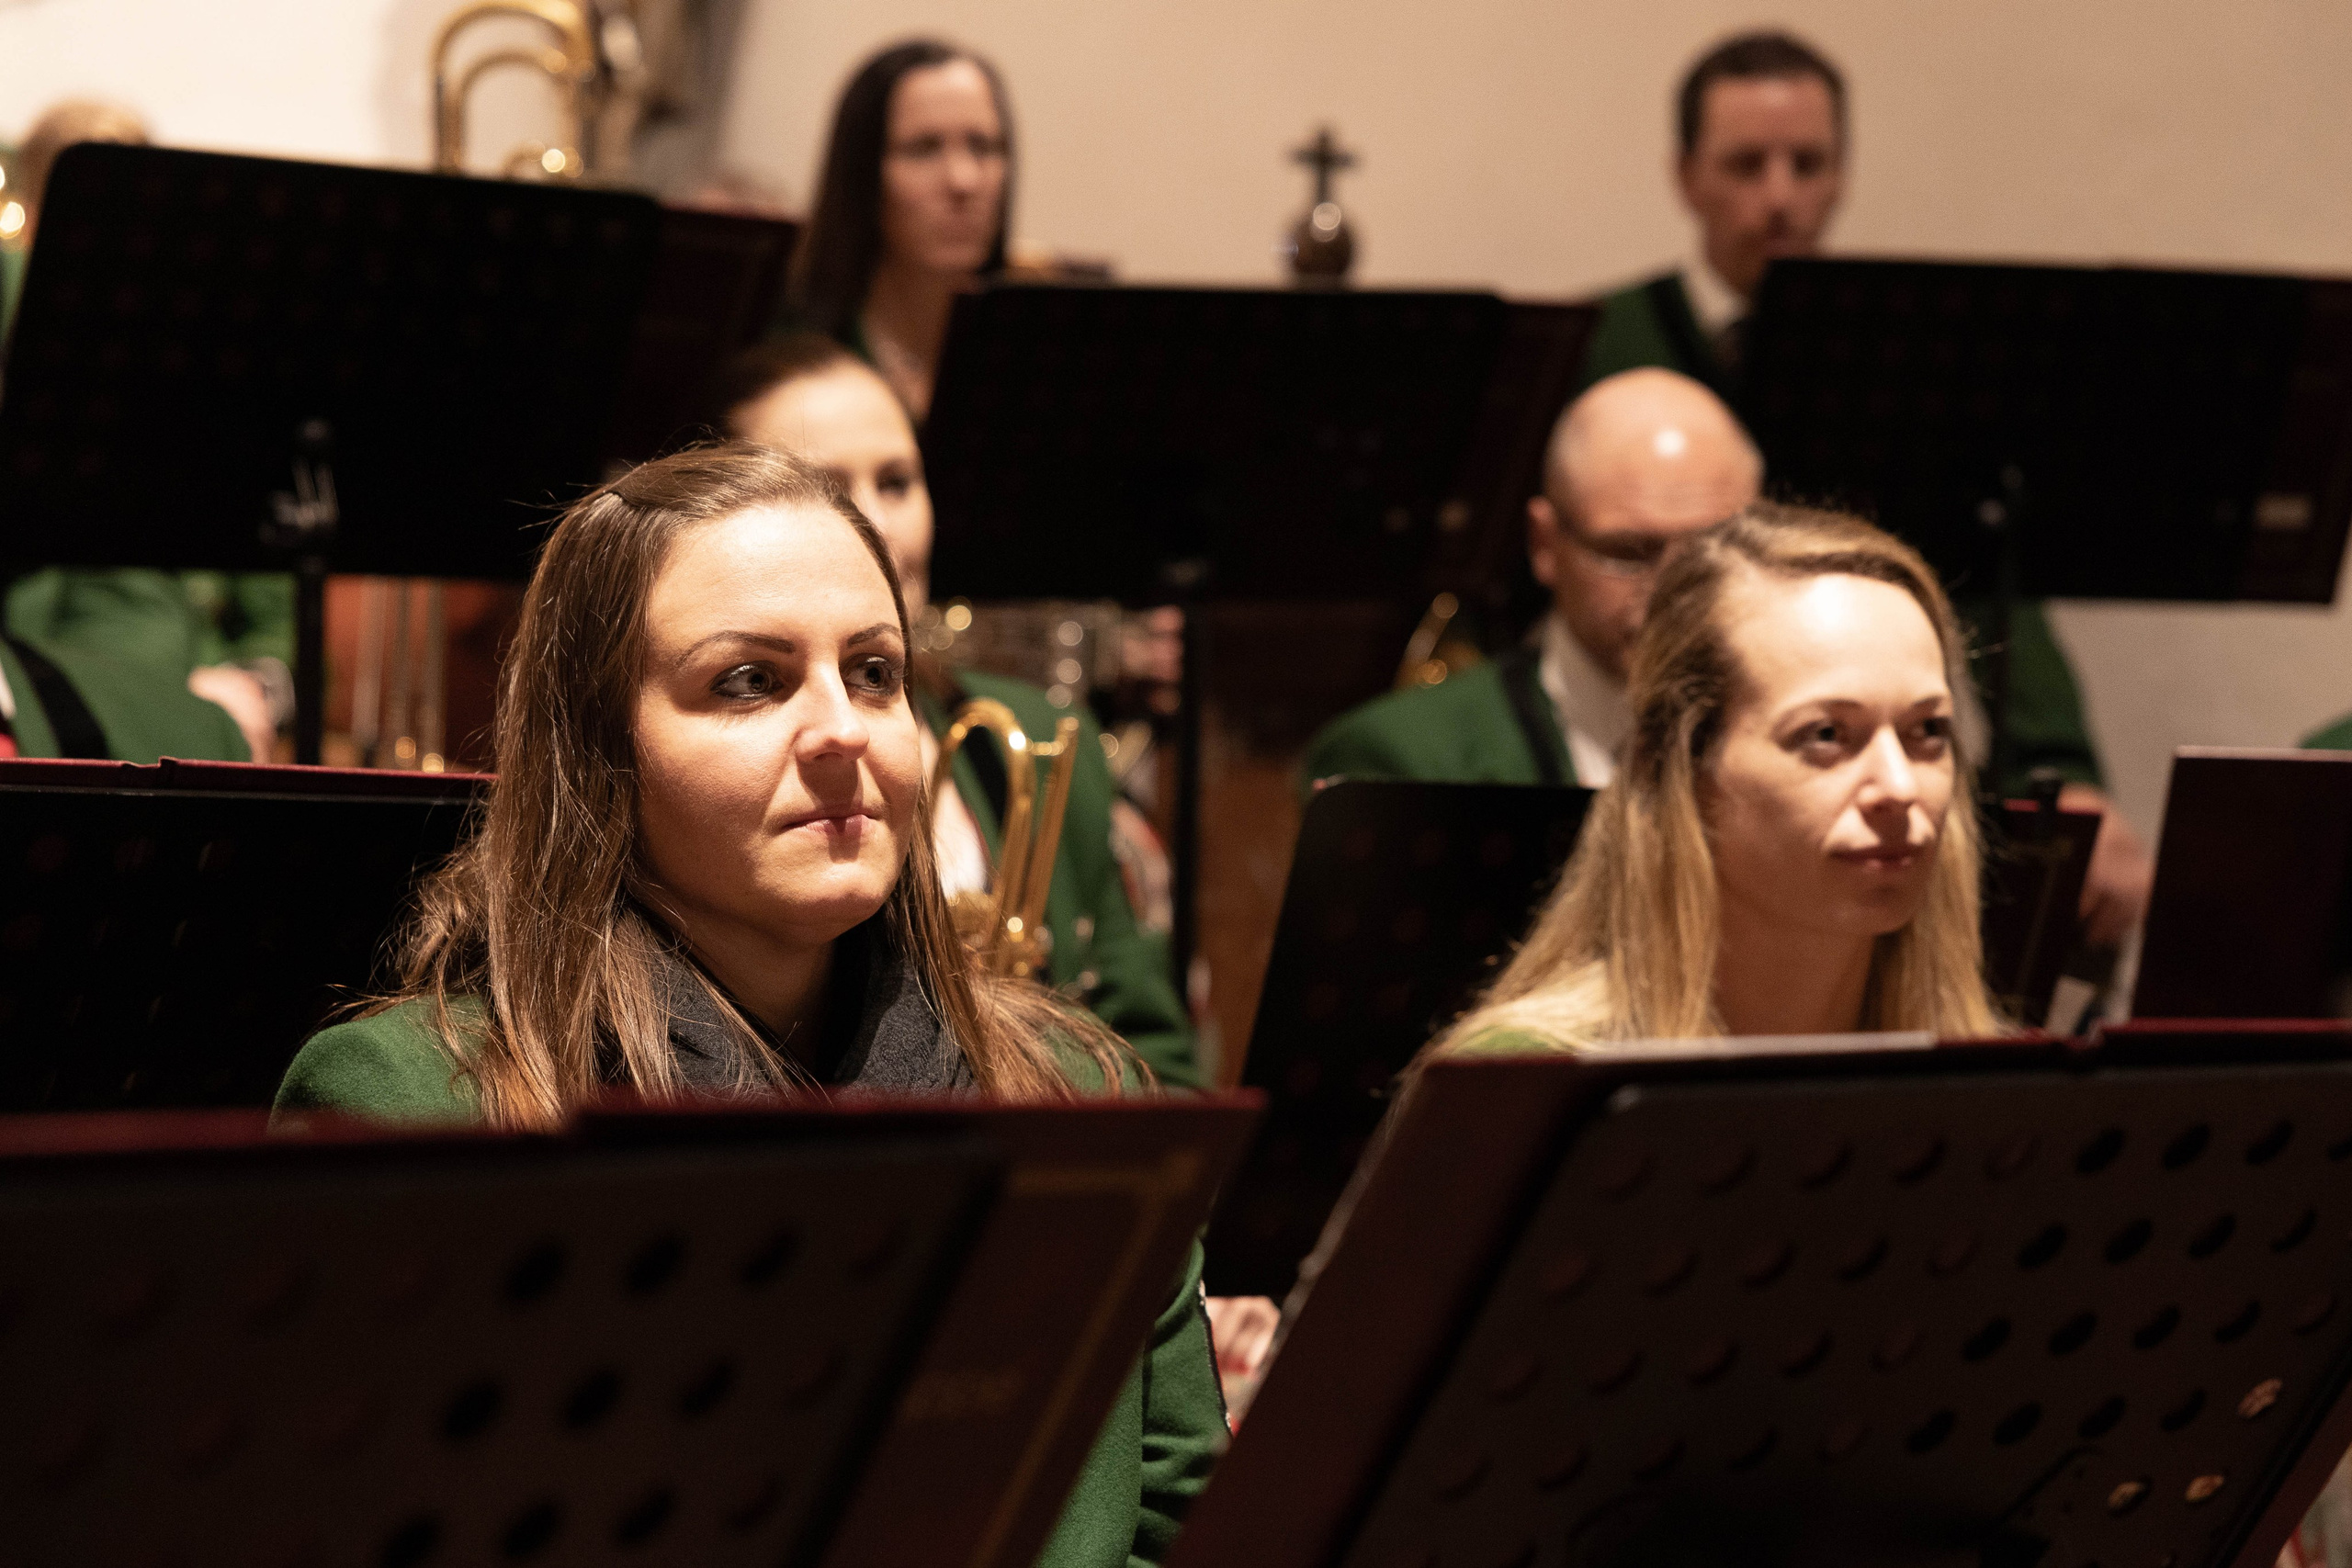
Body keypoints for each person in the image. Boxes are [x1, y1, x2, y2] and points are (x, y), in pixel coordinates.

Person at [273, 443, 1224, 1567]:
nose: (842, 729)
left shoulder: (1085, 1096)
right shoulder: (408, 1110)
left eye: (874, 672)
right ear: (600, 753)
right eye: (748, 681)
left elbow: (1193, 1530)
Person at [1306, 368, 2152, 949]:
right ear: (1543, 543)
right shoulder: (1399, 754)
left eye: (1713, 546)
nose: (1678, 591)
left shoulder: (1862, 737)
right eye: (1631, 552)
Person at [718, 334, 1197, 1088]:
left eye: (899, 481)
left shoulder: (1041, 735)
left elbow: (1161, 1066)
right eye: (825, 488)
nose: (880, 525)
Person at [1436, 501, 2003, 1052]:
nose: (1901, 789)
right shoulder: (1524, 1076)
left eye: (1928, 731)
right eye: (1827, 735)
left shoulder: (1992, 1085)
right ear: (1679, 765)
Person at [2, 98, 290, 763]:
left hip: (197, 694)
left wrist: (256, 687)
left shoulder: (200, 369)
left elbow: (276, 614)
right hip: (49, 694)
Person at [1582, 30, 1846, 395]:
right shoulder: (1592, 342)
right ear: (1686, 179)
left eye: (1808, 164)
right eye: (1746, 165)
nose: (1780, 198)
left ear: (1840, 177)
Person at [782, 39, 1012, 421]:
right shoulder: (790, 352)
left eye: (983, 146)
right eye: (923, 148)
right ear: (862, 172)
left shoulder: (1032, 353)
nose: (964, 181)